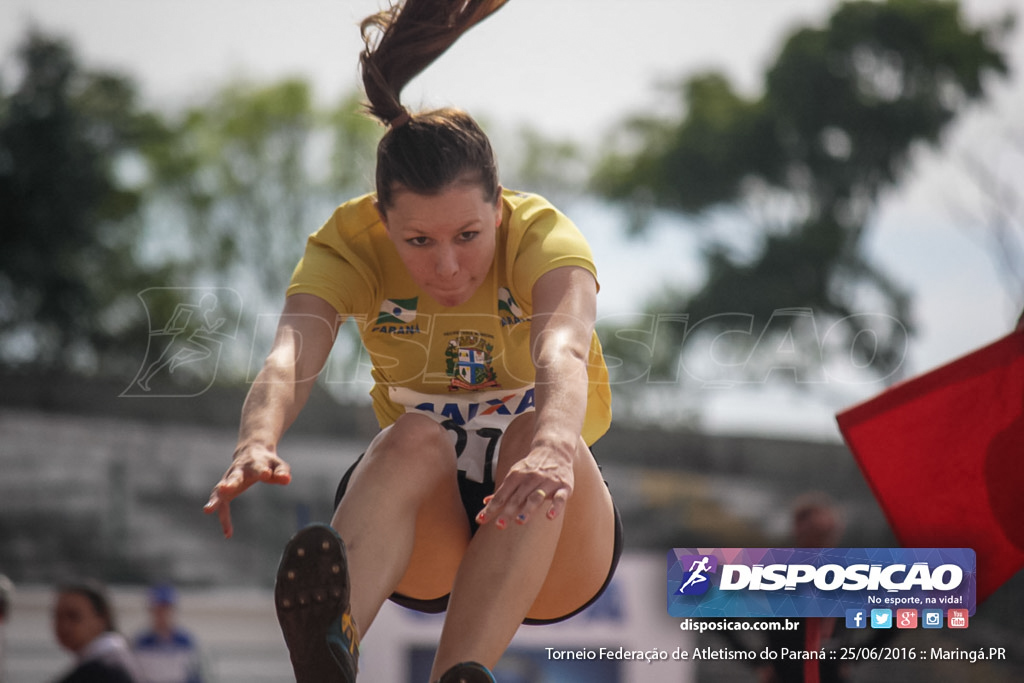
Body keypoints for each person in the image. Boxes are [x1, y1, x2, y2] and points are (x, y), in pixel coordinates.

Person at [203, 1, 621, 681]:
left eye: (467, 236)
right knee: (411, 437)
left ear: (498, 208)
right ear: (383, 223)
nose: (447, 266)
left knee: (535, 435)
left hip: (549, 535)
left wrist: (549, 446)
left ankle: (460, 673)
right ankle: (330, 651)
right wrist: (255, 438)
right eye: (418, 242)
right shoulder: (350, 245)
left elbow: (563, 349)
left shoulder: (543, 236)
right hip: (427, 534)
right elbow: (291, 355)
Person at [52, 580, 145, 683]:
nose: (64, 625)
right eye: (58, 616)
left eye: (73, 616)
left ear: (101, 618)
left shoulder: (104, 670)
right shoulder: (117, 659)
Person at [132, 584, 205, 683]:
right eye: (158, 609)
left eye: (166, 609)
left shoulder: (186, 641)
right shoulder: (140, 642)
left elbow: (196, 675)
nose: (162, 614)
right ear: (150, 610)